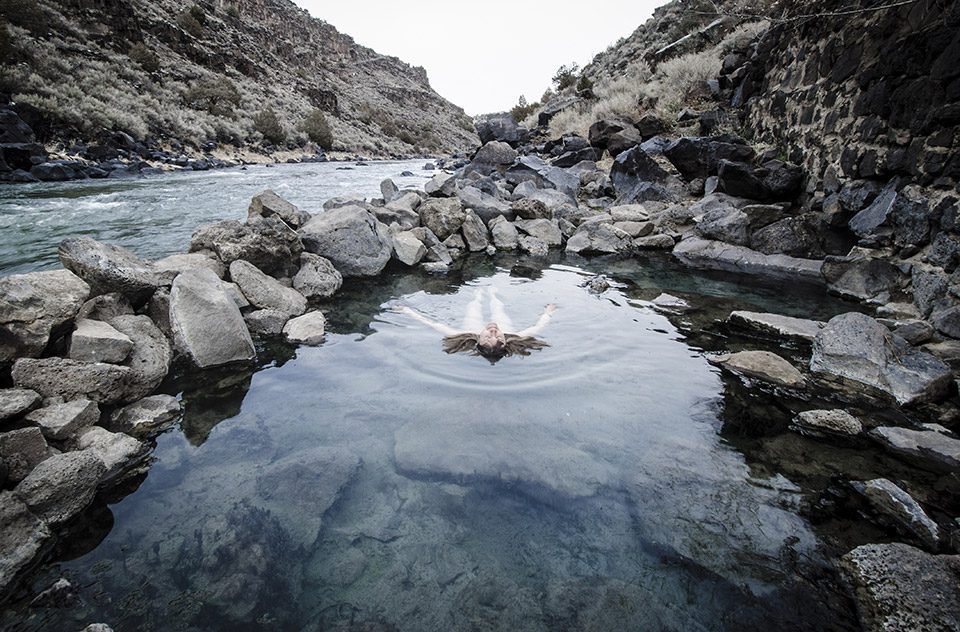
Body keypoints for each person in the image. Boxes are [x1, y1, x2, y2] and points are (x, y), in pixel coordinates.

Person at [394, 287, 557, 361]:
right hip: (505, 325)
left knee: (473, 309)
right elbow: (538, 327)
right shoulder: (512, 335)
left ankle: (477, 297)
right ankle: (492, 295)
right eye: (498, 338)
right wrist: (547, 313)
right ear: (506, 342)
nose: (494, 331)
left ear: (478, 343)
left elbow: (431, 323)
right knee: (498, 309)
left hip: (472, 327)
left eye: (489, 337)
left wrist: (408, 312)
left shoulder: (463, 335)